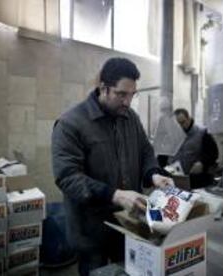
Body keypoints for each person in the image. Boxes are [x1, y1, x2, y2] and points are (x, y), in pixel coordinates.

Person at [51, 57, 173, 276]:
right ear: (103, 88)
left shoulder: (129, 117)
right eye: (121, 94)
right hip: (91, 231)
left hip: (127, 223)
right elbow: (67, 177)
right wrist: (114, 195)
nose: (127, 102)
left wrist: (153, 174)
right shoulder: (71, 123)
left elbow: (145, 151)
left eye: (132, 95)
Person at [159, 108, 219, 188]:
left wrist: (202, 163)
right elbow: (162, 156)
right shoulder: (170, 135)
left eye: (183, 123)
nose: (180, 127)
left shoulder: (202, 133)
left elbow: (213, 153)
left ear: (189, 119)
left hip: (196, 181)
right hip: (174, 180)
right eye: (177, 124)